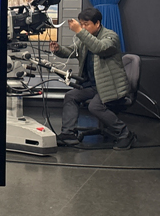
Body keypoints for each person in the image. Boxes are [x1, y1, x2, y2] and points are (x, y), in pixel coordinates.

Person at [50, 8, 136, 150]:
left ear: (97, 23)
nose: (83, 27)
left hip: (109, 86)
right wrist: (58, 49)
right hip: (92, 86)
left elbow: (99, 48)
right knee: (71, 96)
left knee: (95, 106)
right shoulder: (85, 38)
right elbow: (72, 51)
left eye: (86, 24)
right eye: (81, 24)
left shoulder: (111, 37)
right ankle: (68, 134)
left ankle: (125, 133)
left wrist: (79, 31)